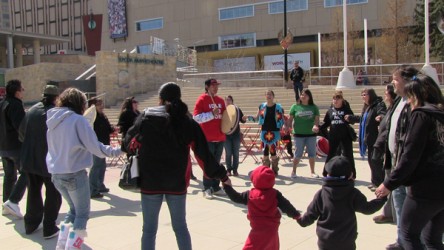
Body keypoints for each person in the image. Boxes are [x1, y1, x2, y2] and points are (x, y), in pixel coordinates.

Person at [124, 82, 230, 250]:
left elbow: (127, 144)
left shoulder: (145, 118)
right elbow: (203, 155)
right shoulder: (187, 122)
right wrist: (222, 175)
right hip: (177, 182)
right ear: (179, 98)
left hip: (150, 182)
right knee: (180, 228)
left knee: (149, 230)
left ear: (160, 99)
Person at [46, 88, 123, 250]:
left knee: (72, 211)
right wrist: (120, 150)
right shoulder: (78, 121)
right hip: (74, 174)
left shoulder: (53, 120)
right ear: (80, 103)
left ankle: (62, 244)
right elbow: (96, 148)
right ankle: (73, 247)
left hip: (56, 174)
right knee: (81, 214)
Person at [376, 73, 444, 250]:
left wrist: (389, 183)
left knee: (408, 235)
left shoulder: (422, 115)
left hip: (425, 188)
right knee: (432, 240)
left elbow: (411, 155)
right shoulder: (440, 114)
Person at [297, 156, 387, 250]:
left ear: (328, 174)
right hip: (346, 241)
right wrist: (382, 198)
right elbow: (368, 208)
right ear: (350, 175)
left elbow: (310, 215)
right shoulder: (352, 193)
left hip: (326, 241)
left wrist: (300, 219)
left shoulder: (321, 194)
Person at [374, 65, 419, 250]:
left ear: (407, 81)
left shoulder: (415, 104)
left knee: (412, 209)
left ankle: (412, 242)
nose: (393, 83)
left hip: (408, 166)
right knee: (399, 204)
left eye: (396, 79)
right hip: (394, 160)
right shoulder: (399, 102)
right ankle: (402, 240)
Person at [18, 85, 62, 238]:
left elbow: (22, 132)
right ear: (56, 98)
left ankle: (31, 224)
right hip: (48, 161)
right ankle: (49, 227)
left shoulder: (32, 110)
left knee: (34, 192)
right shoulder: (54, 113)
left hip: (29, 159)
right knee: (53, 194)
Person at [223, 165, 301, 250]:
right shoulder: (275, 194)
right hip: (272, 229)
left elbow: (235, 197)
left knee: (251, 246)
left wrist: (227, 186)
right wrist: (296, 216)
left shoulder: (250, 195)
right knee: (271, 247)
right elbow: (287, 206)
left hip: (257, 228)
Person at [345, 88, 386, 191]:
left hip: (376, 138)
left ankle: (380, 182)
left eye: (365, 94)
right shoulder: (367, 107)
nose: (363, 96)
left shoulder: (378, 105)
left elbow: (383, 114)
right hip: (368, 138)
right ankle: (375, 181)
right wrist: (351, 118)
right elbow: (362, 119)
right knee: (371, 161)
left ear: (371, 95)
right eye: (362, 95)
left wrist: (380, 117)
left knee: (376, 161)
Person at [193, 78, 227, 199]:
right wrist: (211, 114)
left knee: (217, 163)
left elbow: (225, 118)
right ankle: (207, 188)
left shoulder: (221, 100)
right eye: (213, 85)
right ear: (207, 87)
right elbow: (196, 118)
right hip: (207, 138)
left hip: (220, 137)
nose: (216, 87)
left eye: (217, 85)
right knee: (208, 164)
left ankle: (216, 187)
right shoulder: (202, 99)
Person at [0, 79, 27, 218]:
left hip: (4, 147)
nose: (23, 92)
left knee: (9, 176)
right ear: (17, 92)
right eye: (22, 89)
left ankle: (6, 204)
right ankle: (12, 201)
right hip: (16, 147)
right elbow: (21, 127)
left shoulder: (2, 103)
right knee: (27, 172)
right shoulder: (16, 105)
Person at [372, 84, 397, 224]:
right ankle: (389, 213)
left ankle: (394, 215)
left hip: (393, 153)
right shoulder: (391, 108)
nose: (385, 94)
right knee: (389, 182)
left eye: (386, 92)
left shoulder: (398, 107)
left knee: (392, 185)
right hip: (388, 151)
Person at [320, 91, 356, 178]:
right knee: (331, 155)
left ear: (342, 100)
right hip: (333, 136)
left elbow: (353, 120)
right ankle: (326, 172)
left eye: (338, 98)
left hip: (345, 136)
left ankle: (352, 174)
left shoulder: (346, 109)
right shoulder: (330, 111)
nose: (335, 100)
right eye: (334, 99)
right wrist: (318, 127)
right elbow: (326, 123)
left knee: (348, 155)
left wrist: (349, 118)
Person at [286, 89, 320, 178]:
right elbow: (290, 119)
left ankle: (312, 172)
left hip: (311, 134)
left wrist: (316, 126)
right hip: (298, 134)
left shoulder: (314, 107)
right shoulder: (295, 107)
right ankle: (293, 171)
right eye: (302, 95)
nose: (303, 96)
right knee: (298, 154)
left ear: (309, 97)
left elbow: (317, 120)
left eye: (305, 95)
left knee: (312, 154)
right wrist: (288, 126)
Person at [88, 98, 115, 199]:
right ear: (93, 106)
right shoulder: (91, 117)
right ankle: (93, 189)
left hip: (104, 144)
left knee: (102, 166)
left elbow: (108, 128)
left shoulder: (102, 116)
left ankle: (100, 185)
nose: (101, 106)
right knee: (96, 167)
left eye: (102, 104)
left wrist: (113, 129)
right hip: (96, 145)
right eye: (99, 104)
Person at [254, 89, 285, 175]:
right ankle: (268, 170)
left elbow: (282, 118)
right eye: (267, 94)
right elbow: (257, 117)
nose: (268, 96)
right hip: (265, 131)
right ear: (265, 96)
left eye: (270, 94)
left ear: (273, 96)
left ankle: (273, 169)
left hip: (274, 131)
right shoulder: (262, 106)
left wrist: (285, 126)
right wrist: (248, 118)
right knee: (267, 148)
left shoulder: (278, 107)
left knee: (271, 148)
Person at [224, 95, 247, 176]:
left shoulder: (237, 110)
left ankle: (235, 170)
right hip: (226, 135)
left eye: (229, 100)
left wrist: (244, 119)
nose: (228, 101)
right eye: (226, 100)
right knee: (228, 153)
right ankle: (228, 170)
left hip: (236, 135)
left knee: (236, 153)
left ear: (232, 101)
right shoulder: (223, 110)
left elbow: (242, 120)